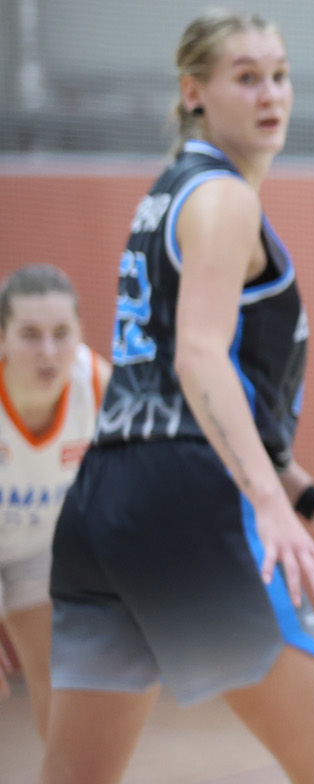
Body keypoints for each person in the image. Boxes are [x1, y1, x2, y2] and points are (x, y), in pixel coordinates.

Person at [38, 11, 314, 784]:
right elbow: (199, 360)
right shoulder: (223, 199)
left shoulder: (164, 196)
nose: (270, 93)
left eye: (279, 74)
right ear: (194, 92)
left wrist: (309, 501)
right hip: (188, 505)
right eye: (246, 77)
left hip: (100, 505)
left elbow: (177, 396)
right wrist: (270, 505)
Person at [0, 265, 109, 741]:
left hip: (37, 545)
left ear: (80, 332)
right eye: (30, 335)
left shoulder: (98, 385)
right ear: (2, 338)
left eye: (61, 333)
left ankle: (59, 773)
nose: (48, 352)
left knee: (57, 672)